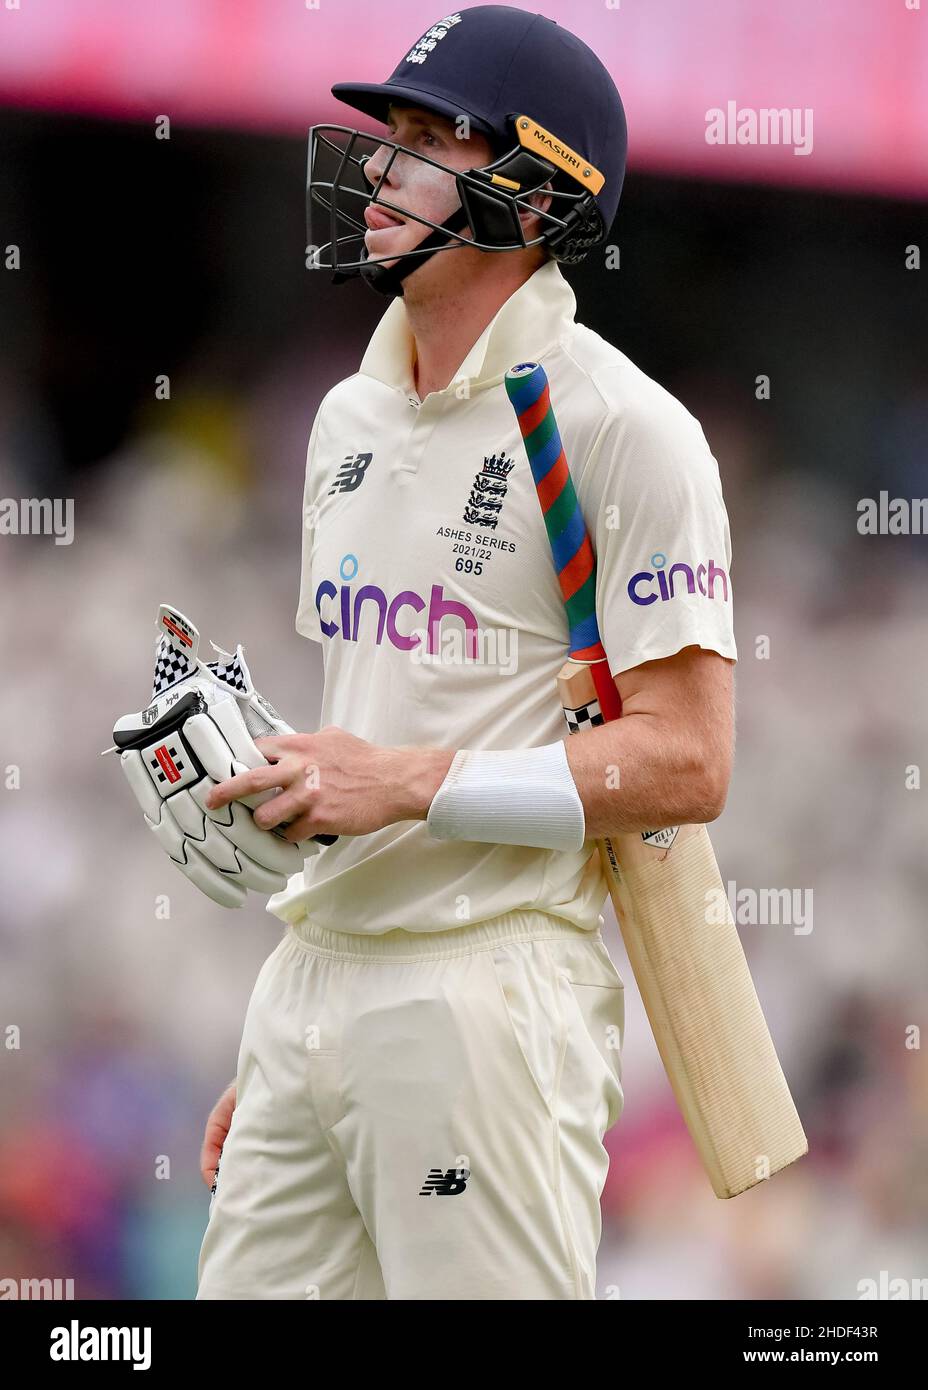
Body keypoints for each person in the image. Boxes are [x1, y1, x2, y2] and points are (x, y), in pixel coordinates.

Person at [196, 5, 736, 1301]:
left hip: (490, 995)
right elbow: (376, 713)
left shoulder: (627, 430)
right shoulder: (345, 414)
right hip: (317, 982)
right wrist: (300, 1032)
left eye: (431, 140)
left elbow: (687, 762)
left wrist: (411, 781)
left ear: (535, 194)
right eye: (389, 138)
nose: (380, 171)